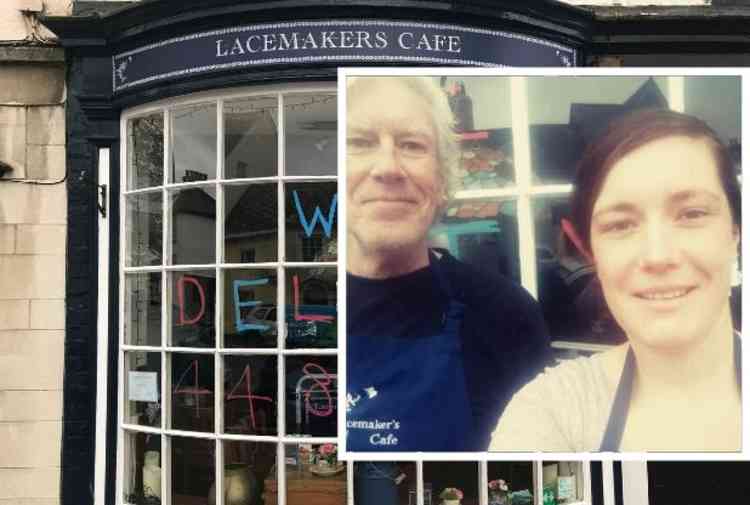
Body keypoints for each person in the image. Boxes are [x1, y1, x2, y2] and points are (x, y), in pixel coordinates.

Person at [489, 108, 742, 452]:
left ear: (734, 232)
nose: (658, 256)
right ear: (588, 250)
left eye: (691, 214)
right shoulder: (554, 412)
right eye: (620, 225)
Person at [345, 76, 550, 451]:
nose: (388, 167)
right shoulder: (298, 315)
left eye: (412, 145)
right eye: (359, 143)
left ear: (441, 180)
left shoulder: (506, 313)